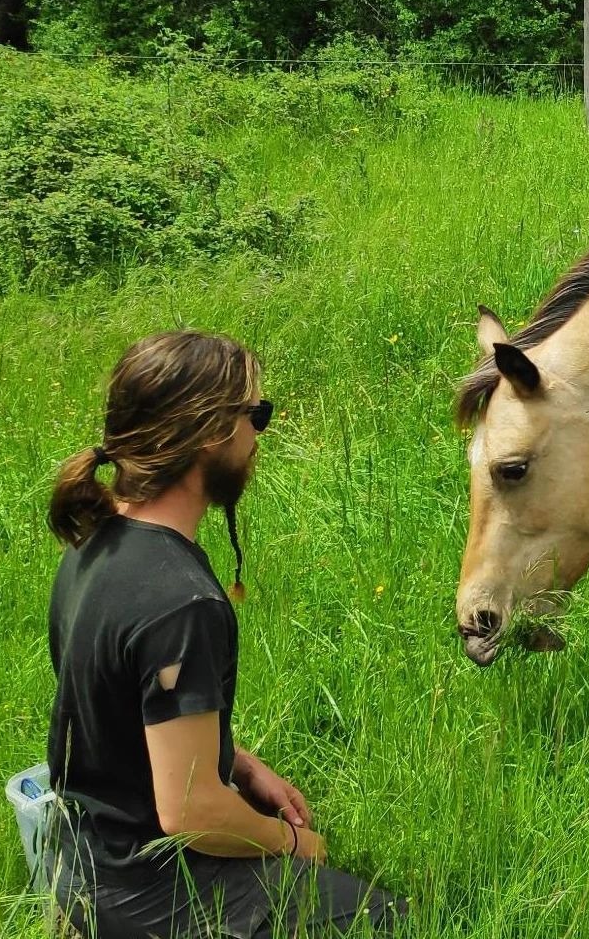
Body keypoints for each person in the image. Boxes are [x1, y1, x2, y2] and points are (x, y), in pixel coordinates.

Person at [44, 330, 407, 938]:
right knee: (383, 917)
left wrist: (236, 765)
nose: (259, 434)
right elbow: (189, 812)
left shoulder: (94, 545)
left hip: (78, 865)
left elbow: (116, 714)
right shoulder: (181, 602)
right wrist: (290, 841)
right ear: (213, 433)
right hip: (146, 893)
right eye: (255, 415)